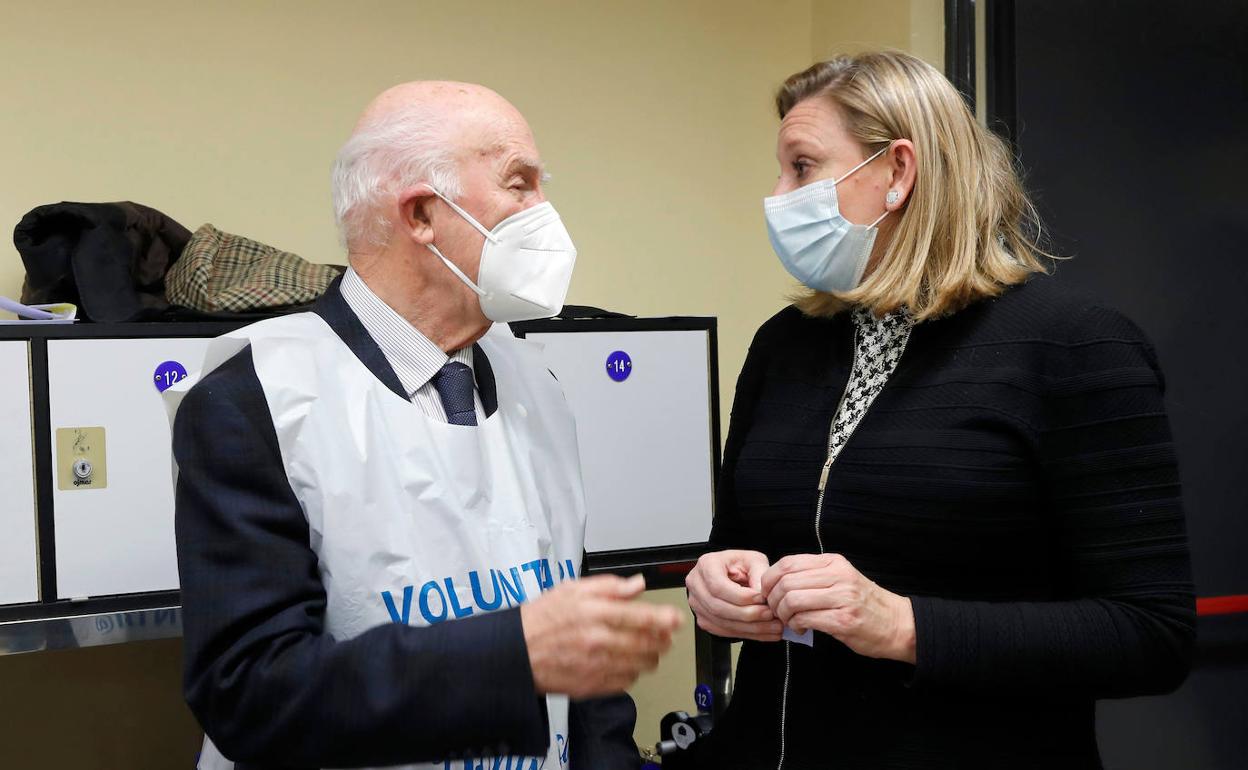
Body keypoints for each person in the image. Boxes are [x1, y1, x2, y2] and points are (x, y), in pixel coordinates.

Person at [685, 51, 1195, 769]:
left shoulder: (1073, 345)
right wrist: (716, 586)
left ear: (897, 172)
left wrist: (903, 625)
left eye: (801, 167)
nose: (778, 195)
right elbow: (737, 540)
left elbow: (1150, 634)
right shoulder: (785, 346)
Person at [170, 81, 682, 770]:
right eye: (519, 184)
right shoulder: (257, 397)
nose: (545, 213)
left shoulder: (540, 388)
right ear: (420, 216)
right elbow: (249, 694)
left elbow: (587, 683)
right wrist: (510, 658)